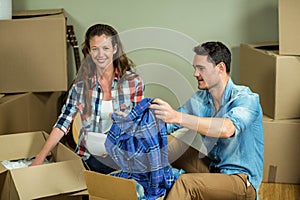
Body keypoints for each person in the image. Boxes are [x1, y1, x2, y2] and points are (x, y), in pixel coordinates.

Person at [149, 41, 264, 200]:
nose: (195, 74)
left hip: (241, 181)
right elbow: (167, 125)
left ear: (220, 68)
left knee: (185, 183)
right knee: (164, 142)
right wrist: (128, 131)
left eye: (201, 68)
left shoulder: (246, 99)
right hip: (213, 169)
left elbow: (226, 129)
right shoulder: (200, 100)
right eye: (195, 68)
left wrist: (177, 116)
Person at [30, 24, 144, 174]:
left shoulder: (133, 82)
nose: (100, 54)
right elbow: (63, 123)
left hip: (123, 156)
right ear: (89, 51)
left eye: (105, 48)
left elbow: (139, 124)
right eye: (95, 49)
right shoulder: (80, 85)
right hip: (91, 158)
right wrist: (40, 157)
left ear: (115, 49)